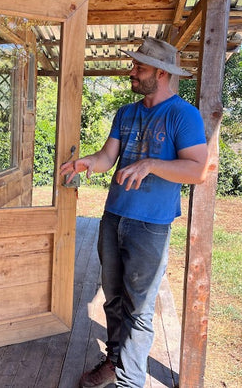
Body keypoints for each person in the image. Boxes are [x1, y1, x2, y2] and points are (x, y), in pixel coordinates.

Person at [61, 37, 208, 387]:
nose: (132, 71)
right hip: (114, 217)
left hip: (151, 226)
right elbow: (107, 157)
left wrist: (152, 164)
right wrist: (86, 163)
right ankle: (113, 362)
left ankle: (130, 381)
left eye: (139, 67)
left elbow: (197, 170)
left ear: (160, 73)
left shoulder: (183, 115)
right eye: (134, 65)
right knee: (112, 298)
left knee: (138, 309)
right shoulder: (126, 113)